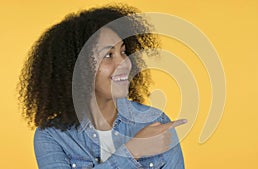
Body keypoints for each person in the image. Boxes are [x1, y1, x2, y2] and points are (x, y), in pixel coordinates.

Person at [18, 4, 187, 169]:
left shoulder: (155, 122)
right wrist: (133, 150)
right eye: (108, 55)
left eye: (123, 52)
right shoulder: (52, 137)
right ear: (78, 68)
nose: (125, 63)